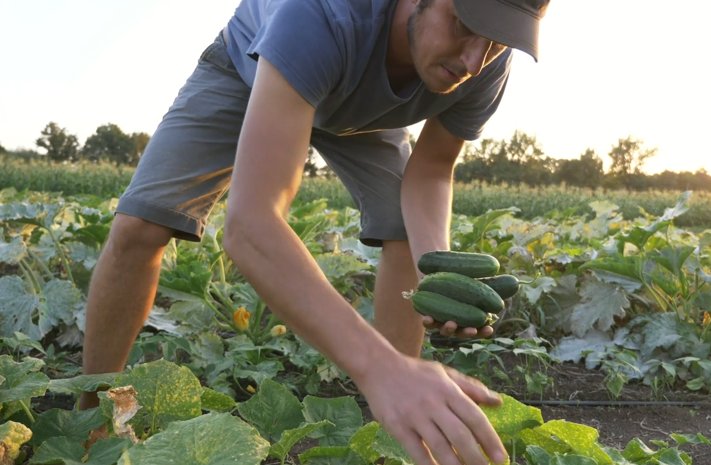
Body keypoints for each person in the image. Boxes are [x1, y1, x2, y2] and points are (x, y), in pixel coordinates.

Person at [80, 0, 549, 463]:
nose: (474, 59)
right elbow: (251, 225)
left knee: (405, 236)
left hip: (363, 118)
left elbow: (431, 171)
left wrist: (437, 275)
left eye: (496, 40)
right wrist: (376, 366)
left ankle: (392, 436)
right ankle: (92, 416)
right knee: (141, 224)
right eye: (464, 24)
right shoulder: (319, 14)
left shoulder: (487, 59)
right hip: (255, 69)